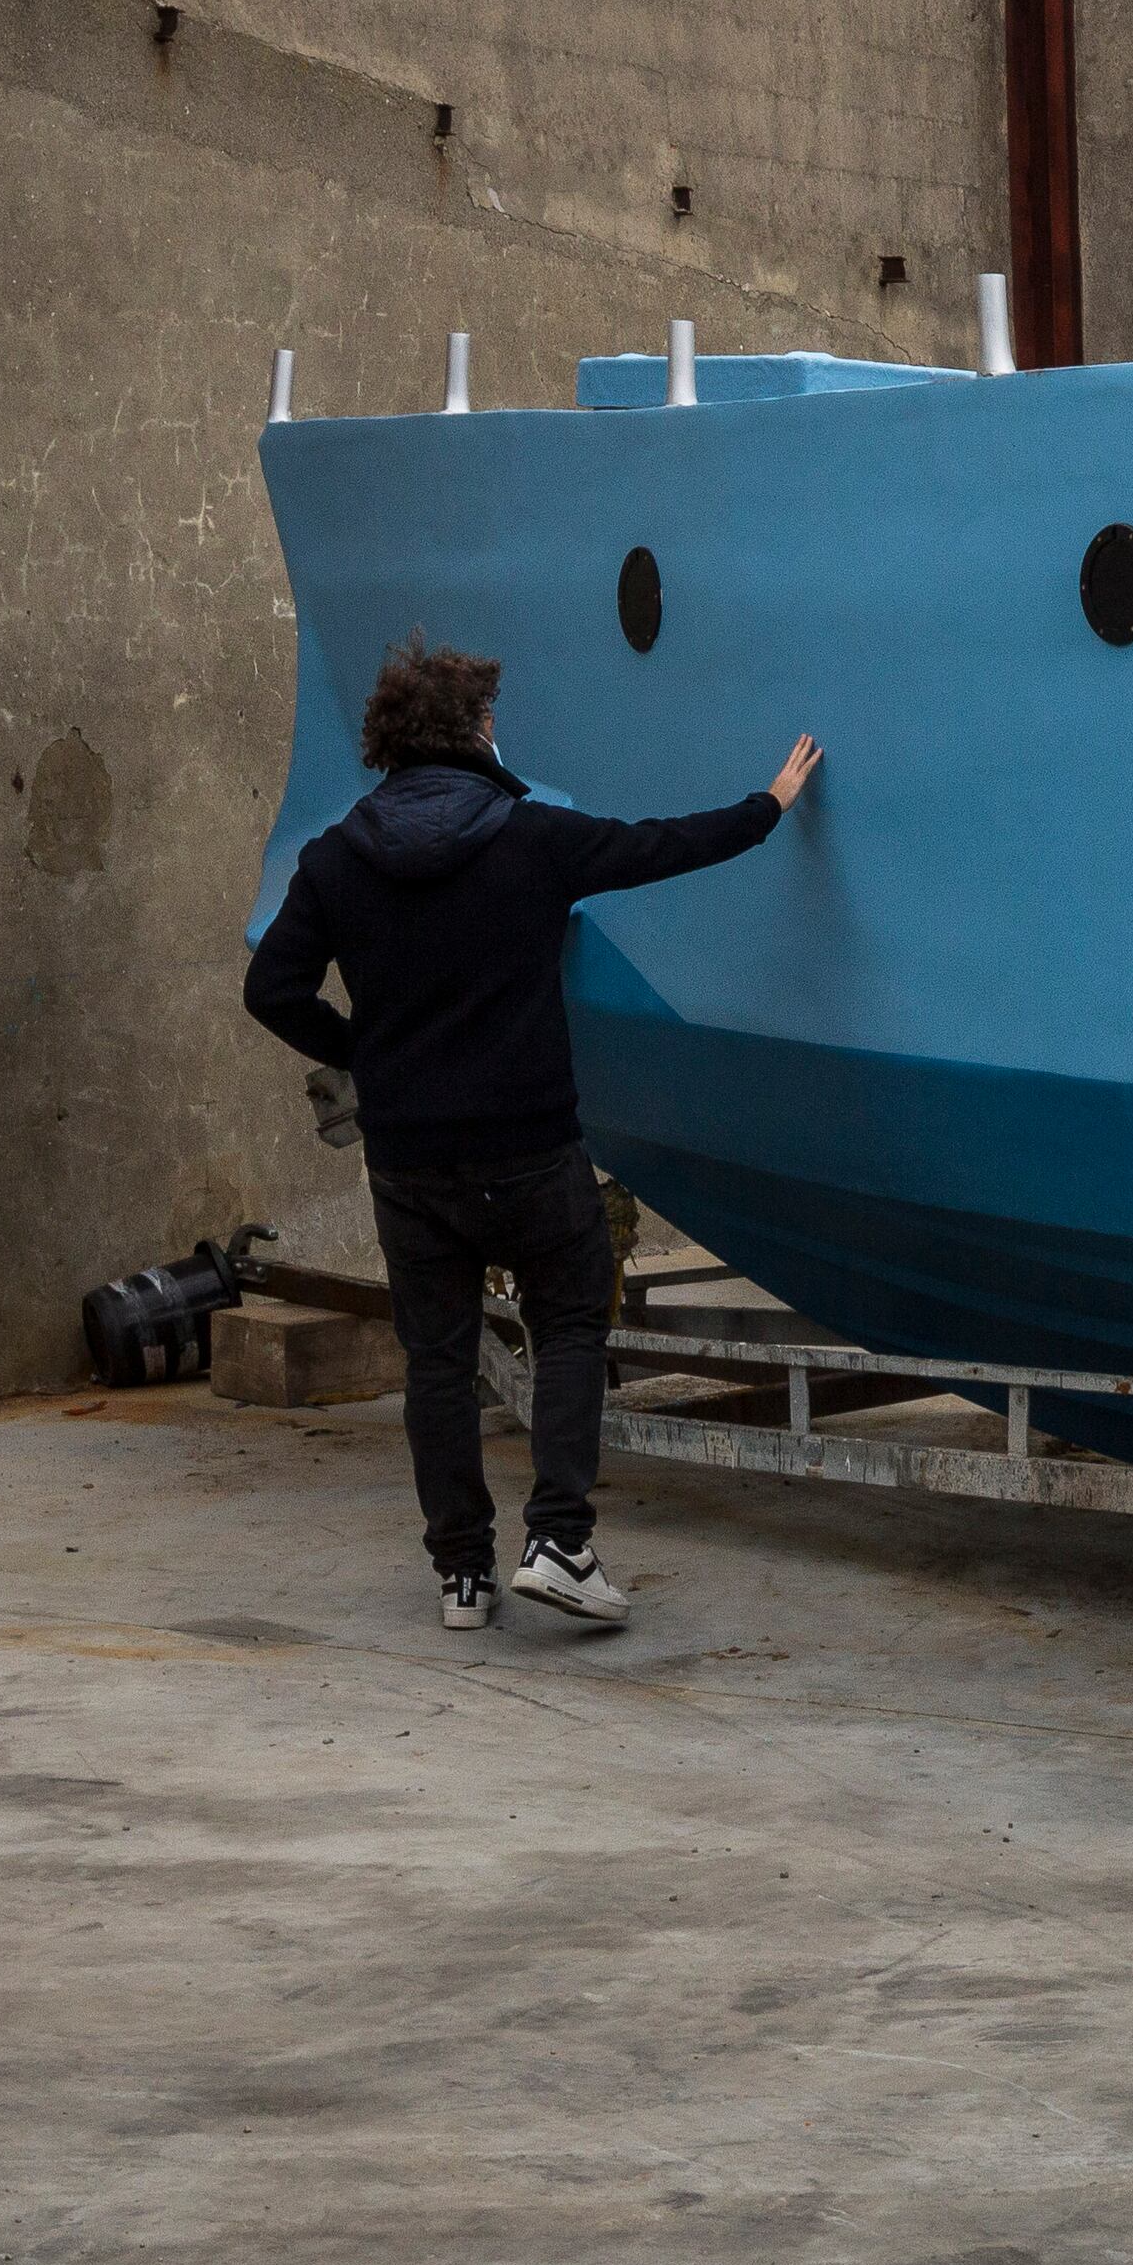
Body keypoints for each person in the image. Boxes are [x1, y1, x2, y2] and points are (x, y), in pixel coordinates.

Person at [244, 634, 818, 1630]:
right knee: (564, 1324)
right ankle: (559, 1540)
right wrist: (767, 805)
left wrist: (362, 1056)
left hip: (410, 1160)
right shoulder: (531, 836)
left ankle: (461, 1576)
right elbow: (661, 846)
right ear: (481, 731)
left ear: (385, 745)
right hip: (529, 1146)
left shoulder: (336, 859)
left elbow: (270, 988)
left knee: (437, 1361)